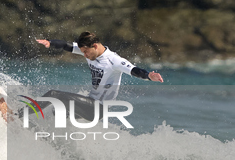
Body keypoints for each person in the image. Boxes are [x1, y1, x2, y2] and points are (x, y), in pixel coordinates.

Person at [32, 31, 163, 121]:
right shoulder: (90, 51)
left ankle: (17, 115)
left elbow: (134, 70)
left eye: (85, 52)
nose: (84, 55)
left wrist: (148, 76)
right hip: (90, 103)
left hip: (98, 108)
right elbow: (66, 45)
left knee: (54, 94)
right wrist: (50, 42)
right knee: (57, 112)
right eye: (82, 52)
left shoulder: (114, 60)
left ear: (94, 46)